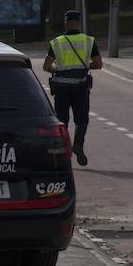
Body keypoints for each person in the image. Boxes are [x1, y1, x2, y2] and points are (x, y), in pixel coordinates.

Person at [42, 10, 101, 167]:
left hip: (61, 87)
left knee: (62, 121)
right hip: (81, 87)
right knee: (82, 120)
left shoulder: (56, 42)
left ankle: (64, 149)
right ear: (79, 23)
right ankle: (78, 145)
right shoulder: (89, 41)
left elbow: (47, 66)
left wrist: (60, 69)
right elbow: (98, 64)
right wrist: (83, 66)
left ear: (65, 23)